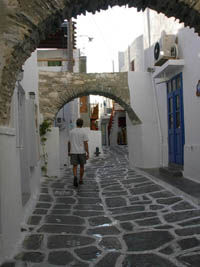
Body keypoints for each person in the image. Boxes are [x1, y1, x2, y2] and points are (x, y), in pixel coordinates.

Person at [68, 118, 89, 187]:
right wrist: (87, 152)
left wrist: (69, 151)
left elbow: (69, 142)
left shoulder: (71, 132)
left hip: (73, 151)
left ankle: (75, 176)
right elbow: (85, 143)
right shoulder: (83, 132)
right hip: (81, 152)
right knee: (82, 166)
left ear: (76, 123)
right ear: (82, 124)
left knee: (74, 166)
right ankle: (80, 179)